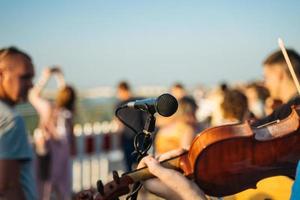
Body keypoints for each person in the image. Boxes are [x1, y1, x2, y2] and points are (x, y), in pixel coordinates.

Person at [138, 49, 300, 200]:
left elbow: (254, 137)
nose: (265, 83)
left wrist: (191, 194)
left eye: (266, 77)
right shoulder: (290, 112)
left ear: (279, 74)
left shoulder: (291, 110)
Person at [29, 67, 76, 200]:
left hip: (47, 157)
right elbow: (66, 94)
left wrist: (45, 77)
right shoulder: (68, 115)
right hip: (62, 159)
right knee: (62, 191)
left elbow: (33, 95)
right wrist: (59, 77)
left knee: (44, 189)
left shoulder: (48, 108)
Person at [0, 47, 37, 200]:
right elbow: (7, 187)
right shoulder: (11, 120)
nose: (31, 85)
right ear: (1, 75)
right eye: (24, 77)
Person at [114, 81, 146, 171]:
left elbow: (119, 125)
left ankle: (131, 184)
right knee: (141, 165)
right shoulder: (138, 102)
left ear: (121, 90)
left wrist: (118, 139)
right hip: (140, 137)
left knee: (128, 166)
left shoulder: (120, 105)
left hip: (127, 138)